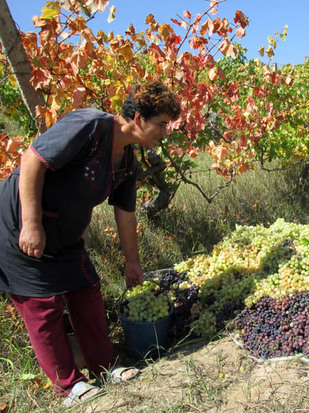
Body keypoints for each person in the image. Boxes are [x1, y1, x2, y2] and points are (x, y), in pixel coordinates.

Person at [0, 81, 181, 406]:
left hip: (64, 233)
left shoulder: (127, 162)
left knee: (86, 289)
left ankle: (105, 364)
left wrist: (132, 262)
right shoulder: (90, 125)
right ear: (139, 118)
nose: (165, 132)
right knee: (42, 306)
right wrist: (32, 224)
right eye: (162, 124)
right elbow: (32, 160)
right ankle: (69, 386)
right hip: (17, 224)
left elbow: (125, 215)